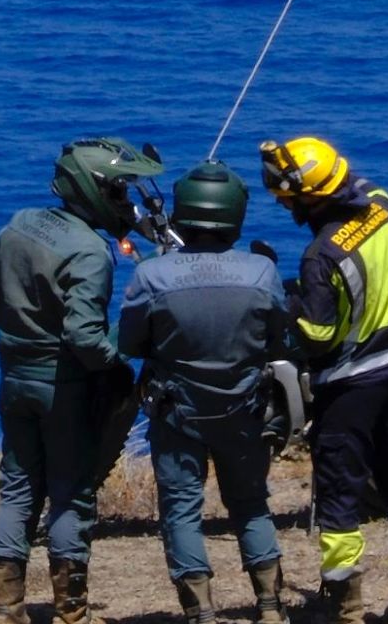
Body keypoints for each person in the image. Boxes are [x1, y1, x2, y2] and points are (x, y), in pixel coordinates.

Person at [0, 137, 164, 624]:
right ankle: (71, 612)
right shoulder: (90, 252)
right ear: (92, 190)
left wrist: (18, 329)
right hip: (63, 386)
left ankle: (6, 609)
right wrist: (118, 360)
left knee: (18, 487)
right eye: (119, 192)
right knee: (70, 494)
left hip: (15, 374)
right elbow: (84, 336)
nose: (125, 203)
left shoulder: (20, 223)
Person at [260, 138, 388, 624]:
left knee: (340, 499)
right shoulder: (383, 206)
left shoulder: (320, 257)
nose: (283, 202)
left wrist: (286, 309)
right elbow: (358, 187)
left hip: (349, 385)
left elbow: (317, 335)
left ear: (309, 197)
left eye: (287, 196)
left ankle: (346, 607)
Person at [118, 162, 289, 624]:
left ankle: (200, 613)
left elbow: (129, 343)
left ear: (183, 213)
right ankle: (271, 607)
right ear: (235, 214)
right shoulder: (261, 272)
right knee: (251, 503)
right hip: (244, 409)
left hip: (178, 414)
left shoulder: (153, 276)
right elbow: (278, 338)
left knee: (181, 511)